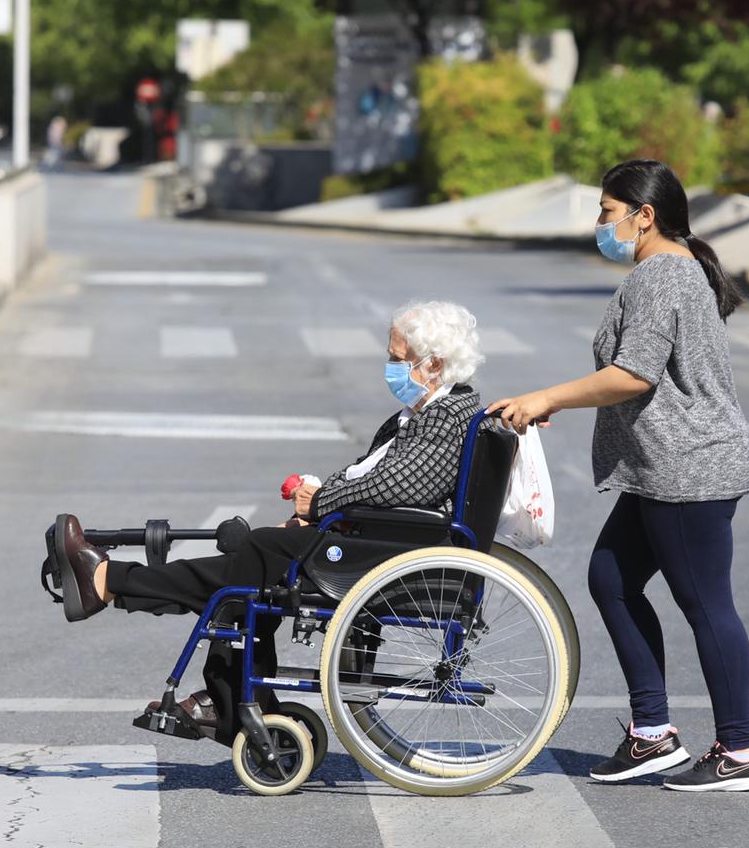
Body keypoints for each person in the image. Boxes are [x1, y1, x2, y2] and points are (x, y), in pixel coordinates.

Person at [49, 300, 487, 743]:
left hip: (391, 554)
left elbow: (402, 488)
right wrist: (318, 513)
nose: (389, 367)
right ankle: (118, 590)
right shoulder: (435, 411)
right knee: (248, 560)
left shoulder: (446, 417)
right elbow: (385, 480)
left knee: (251, 560)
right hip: (378, 540)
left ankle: (115, 587)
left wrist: (320, 504)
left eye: (397, 359)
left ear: (432, 365)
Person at [489, 158, 749, 793]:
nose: (599, 224)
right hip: (659, 467)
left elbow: (634, 373)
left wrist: (547, 398)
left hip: (687, 467)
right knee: (610, 580)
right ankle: (652, 735)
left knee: (704, 604)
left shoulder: (662, 274)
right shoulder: (670, 271)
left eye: (607, 212)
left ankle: (740, 752)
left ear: (644, 217)